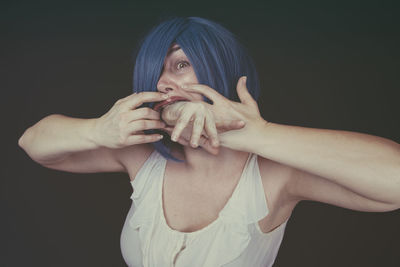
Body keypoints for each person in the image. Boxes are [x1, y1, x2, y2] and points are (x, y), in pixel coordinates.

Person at [18, 17, 400, 267]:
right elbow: (33, 142)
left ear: (221, 68)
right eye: (157, 72)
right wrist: (96, 130)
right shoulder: (141, 155)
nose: (163, 82)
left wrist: (256, 133)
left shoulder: (273, 174)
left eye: (180, 64)